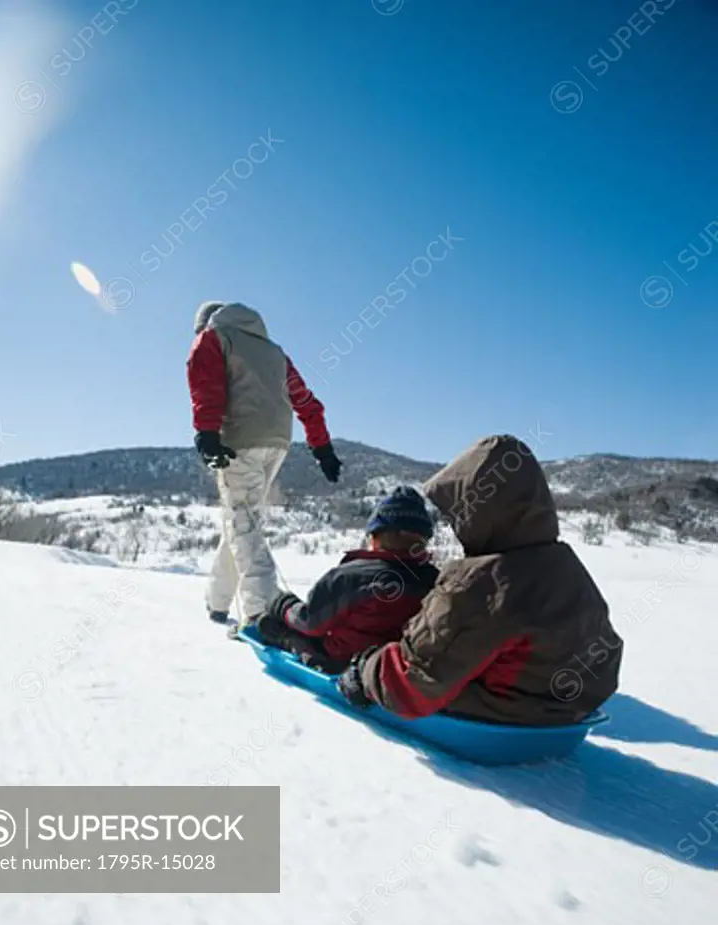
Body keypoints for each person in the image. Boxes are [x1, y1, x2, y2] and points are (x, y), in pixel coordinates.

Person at [338, 435, 622, 725]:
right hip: (569, 714)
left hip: (503, 718)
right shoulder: (566, 566)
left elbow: (412, 682)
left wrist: (365, 671)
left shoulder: (480, 583)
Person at [187, 301, 341, 625]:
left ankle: (261, 613)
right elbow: (307, 403)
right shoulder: (274, 353)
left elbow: (206, 387)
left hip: (240, 440)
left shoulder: (212, 338)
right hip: (277, 444)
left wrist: (207, 434)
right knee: (244, 521)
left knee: (242, 523)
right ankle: (217, 601)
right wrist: (322, 448)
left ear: (204, 324)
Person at [255, 486, 439, 673]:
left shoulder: (349, 577)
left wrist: (284, 605)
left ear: (375, 538)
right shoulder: (436, 580)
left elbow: (311, 622)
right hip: (399, 669)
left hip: (342, 662)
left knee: (279, 627)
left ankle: (285, 639)